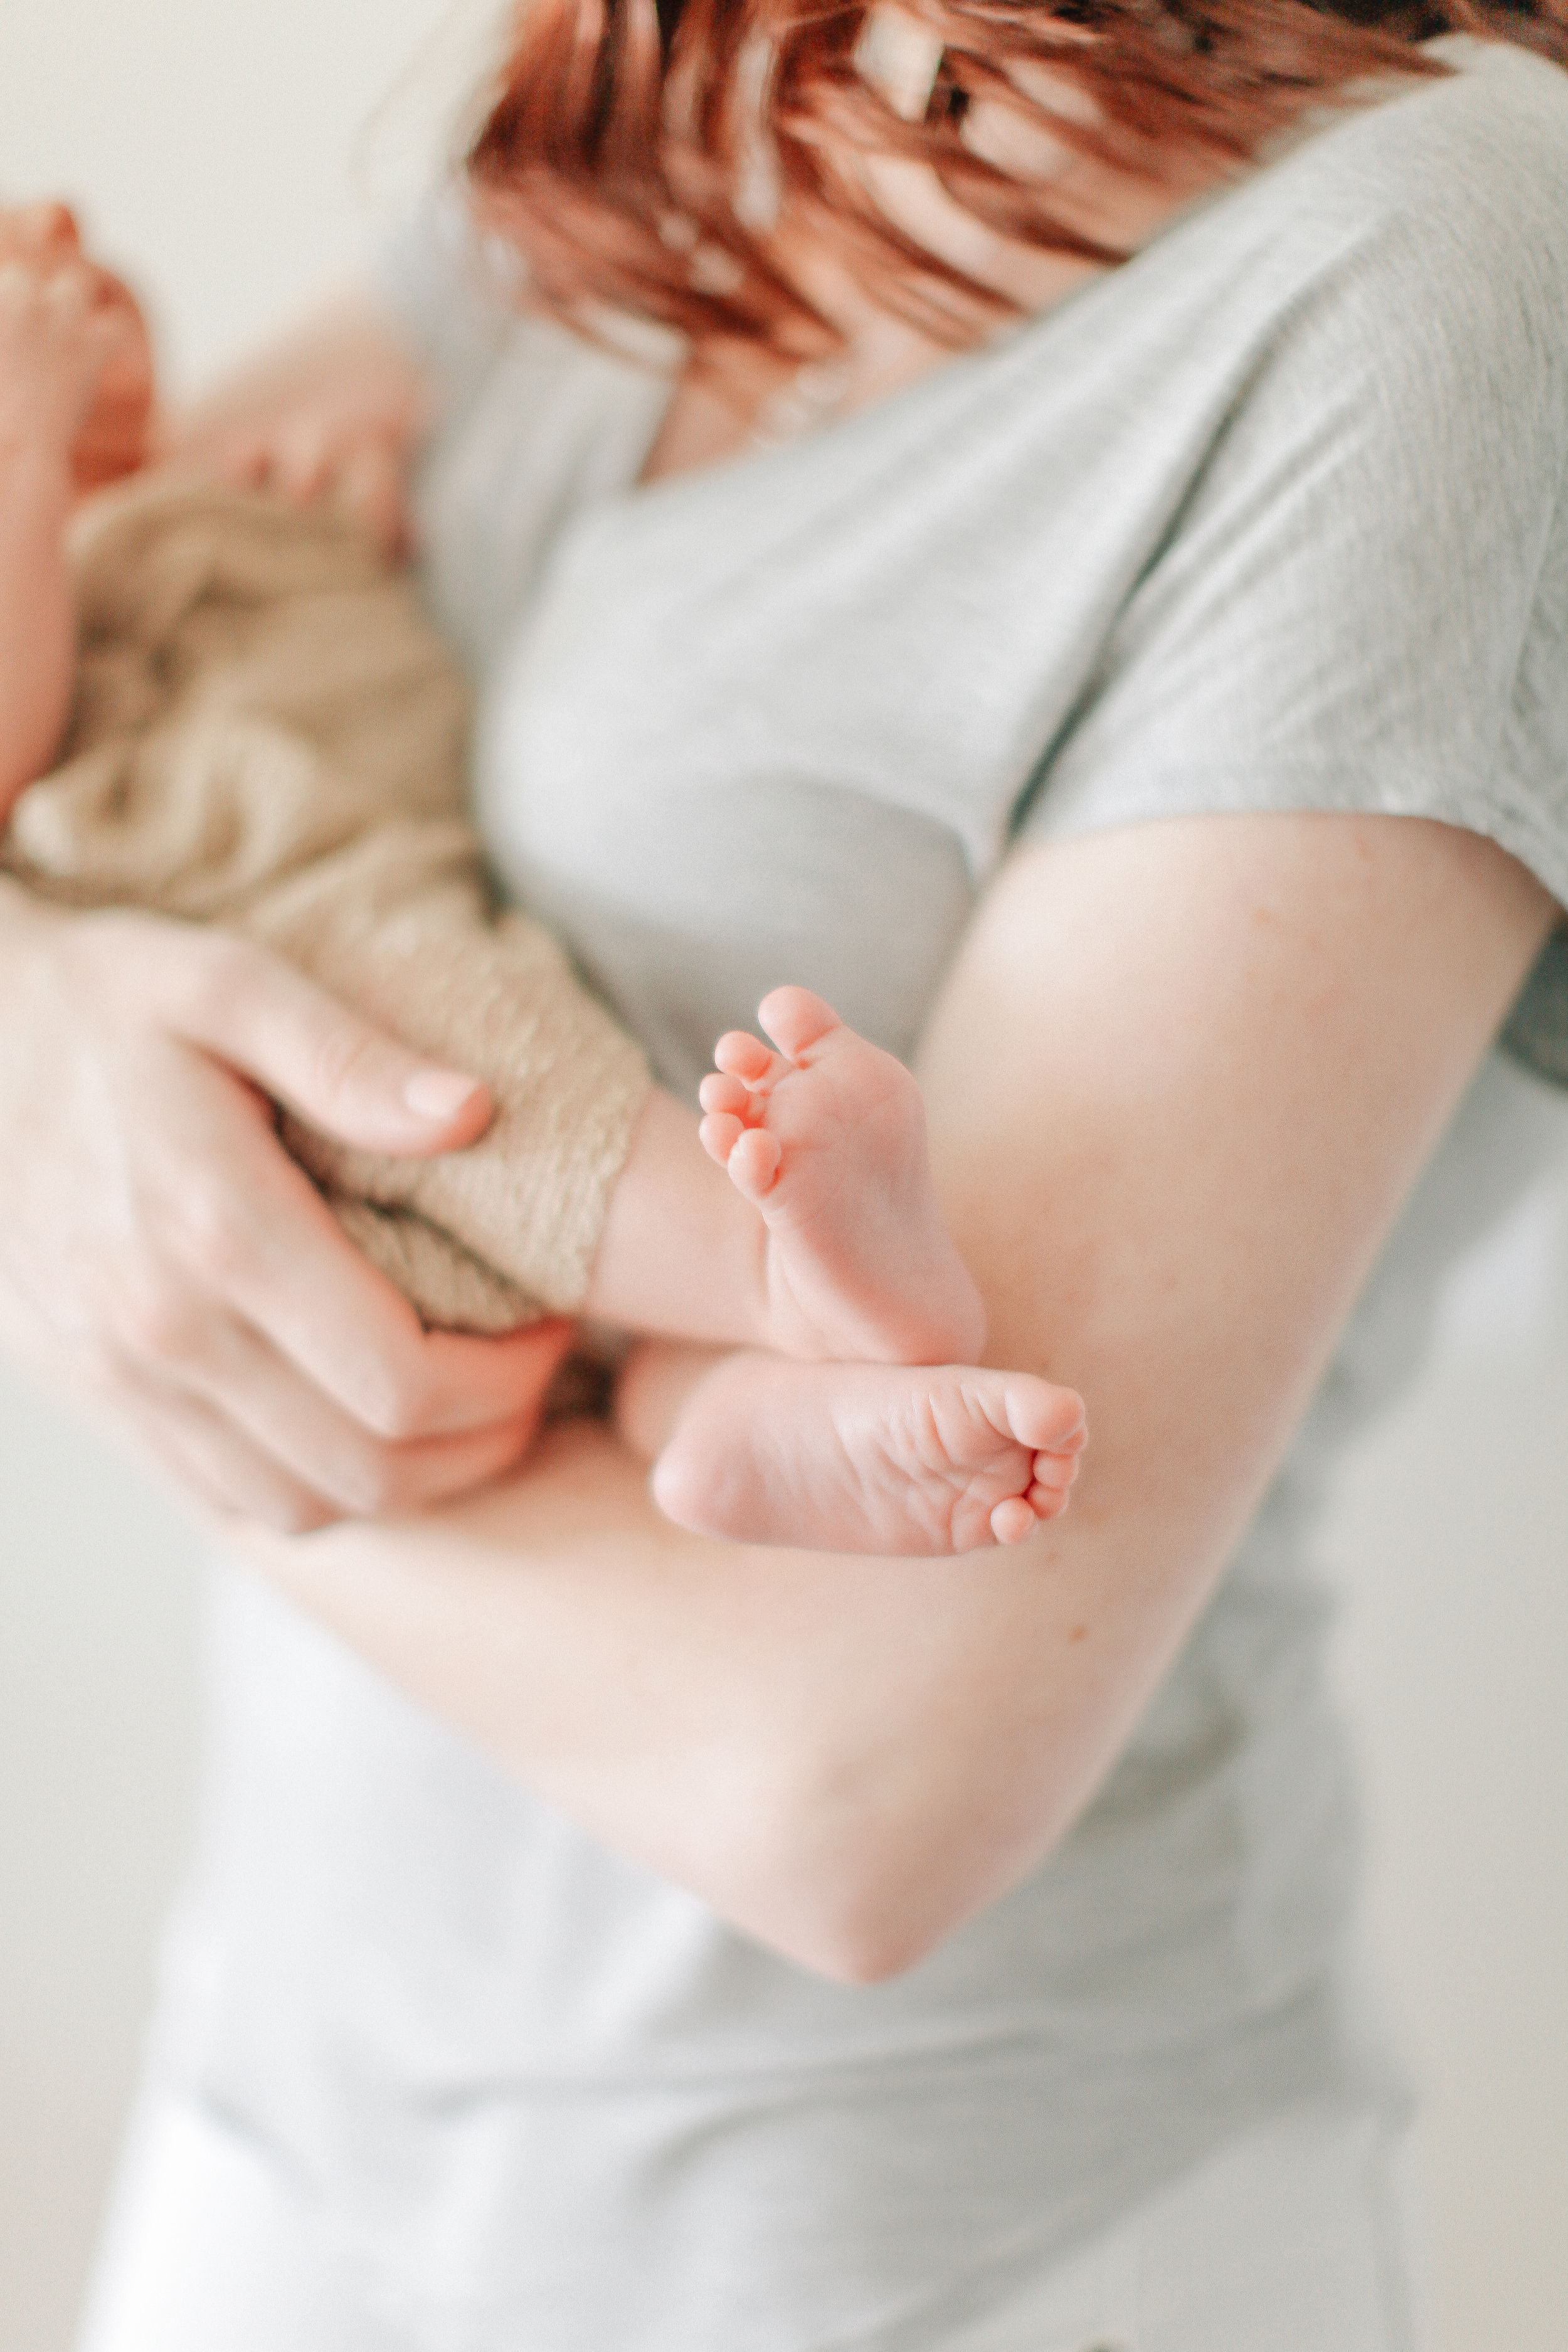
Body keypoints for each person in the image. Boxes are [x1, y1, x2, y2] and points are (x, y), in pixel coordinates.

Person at [0, 1, 1563, 2346]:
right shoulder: (683, 76)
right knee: (714, 1414)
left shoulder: (1448, 258)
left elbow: (845, 1796)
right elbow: (92, 634)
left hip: (917, 2237)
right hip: (286, 2119)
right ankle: (799, 1307)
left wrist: (104, 1233)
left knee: (730, 1348)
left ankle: (804, 1276)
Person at [0, 199, 1087, 1555]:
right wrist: (22, 449)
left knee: (609, 1298)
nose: (51, 227)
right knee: (459, 1066)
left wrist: (325, 508)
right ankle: (779, 1274)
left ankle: (746, 1420)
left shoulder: (195, 478)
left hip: (444, 949)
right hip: (301, 956)